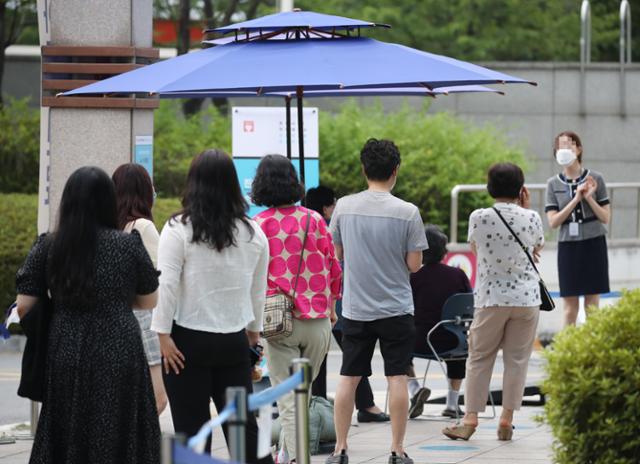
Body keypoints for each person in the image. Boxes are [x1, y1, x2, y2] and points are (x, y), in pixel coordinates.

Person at [16, 166, 161, 463]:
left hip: (66, 344)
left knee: (70, 422)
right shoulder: (127, 245)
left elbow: (24, 305)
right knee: (120, 422)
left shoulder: (49, 245)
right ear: (109, 202)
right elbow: (149, 301)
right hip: (120, 344)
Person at [150, 150, 272, 463]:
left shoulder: (178, 228)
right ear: (233, 185)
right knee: (243, 431)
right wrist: (254, 333)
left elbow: (166, 285)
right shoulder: (252, 231)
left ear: (193, 184)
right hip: (234, 341)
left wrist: (162, 335)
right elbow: (258, 289)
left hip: (185, 343)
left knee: (191, 433)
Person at [328, 139, 428, 464]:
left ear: (363, 168)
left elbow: (338, 255)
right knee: (397, 377)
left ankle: (340, 449)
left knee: (349, 377)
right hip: (396, 307)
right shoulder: (408, 212)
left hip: (356, 307)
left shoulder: (343, 206)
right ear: (395, 170)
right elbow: (414, 265)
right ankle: (397, 451)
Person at [442, 162, 544, 442]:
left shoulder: (479, 217)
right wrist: (525, 208)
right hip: (526, 300)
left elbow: (476, 249)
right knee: (517, 361)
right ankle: (506, 420)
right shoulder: (532, 217)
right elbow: (537, 249)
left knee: (479, 358)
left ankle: (470, 418)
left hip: (491, 299)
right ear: (521, 189)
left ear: (490, 188)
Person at [252, 156, 342, 464]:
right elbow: (334, 266)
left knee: (289, 401)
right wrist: (331, 306)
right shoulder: (314, 220)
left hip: (278, 320)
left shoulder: (258, 225)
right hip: (317, 320)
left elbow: (251, 276)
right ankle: (287, 453)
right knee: (301, 396)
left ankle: (295, 458)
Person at [306, 185, 389, 423]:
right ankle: (366, 405)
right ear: (325, 206)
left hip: (312, 300)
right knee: (354, 356)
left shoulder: (304, 225)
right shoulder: (324, 227)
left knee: (318, 360)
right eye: (332, 204)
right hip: (337, 300)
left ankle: (318, 407)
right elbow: (336, 262)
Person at [112, 163, 168, 415]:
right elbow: (159, 278)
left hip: (114, 320)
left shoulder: (109, 227)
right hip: (143, 320)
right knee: (156, 400)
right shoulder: (142, 227)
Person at [544, 131, 610, 327]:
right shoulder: (553, 184)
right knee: (570, 307)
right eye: (560, 146)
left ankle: (592, 352)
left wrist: (589, 197)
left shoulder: (596, 178)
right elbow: (553, 222)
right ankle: (569, 354)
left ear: (578, 149)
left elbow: (605, 217)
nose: (564, 150)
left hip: (594, 242)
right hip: (568, 246)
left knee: (592, 306)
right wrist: (576, 199)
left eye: (569, 145)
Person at [408, 224, 472, 419]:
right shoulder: (458, 275)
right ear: (443, 251)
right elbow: (469, 307)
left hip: (418, 341)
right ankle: (452, 404)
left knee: (396, 344)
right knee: (458, 336)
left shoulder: (412, 276)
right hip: (452, 341)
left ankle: (414, 388)